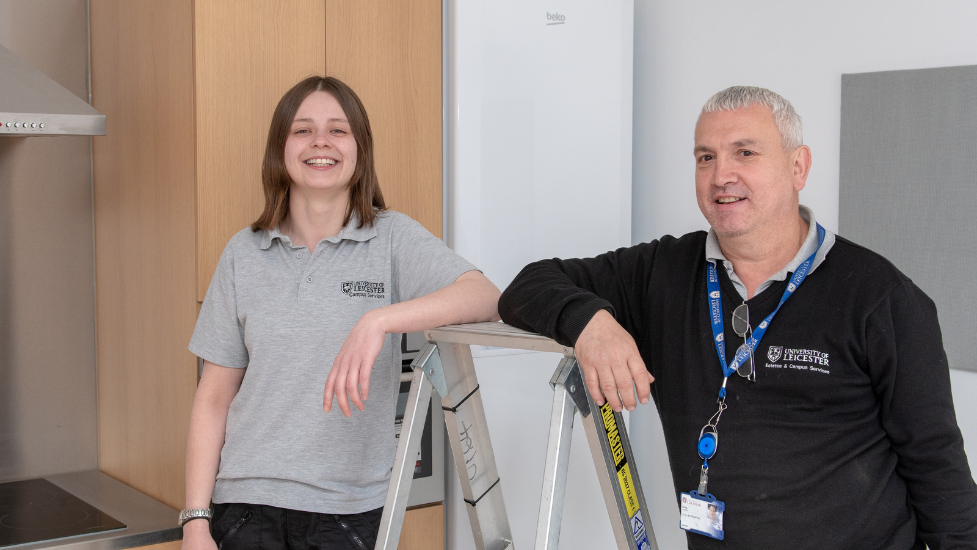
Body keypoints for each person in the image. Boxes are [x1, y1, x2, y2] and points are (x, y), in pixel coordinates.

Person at [499, 86, 977, 548]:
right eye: (705, 157)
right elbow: (527, 286)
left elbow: (938, 469)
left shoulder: (881, 297)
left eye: (744, 153)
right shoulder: (662, 272)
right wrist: (591, 324)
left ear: (798, 166)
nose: (720, 175)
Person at [180, 76, 500, 550]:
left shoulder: (391, 239)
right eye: (303, 130)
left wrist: (379, 319)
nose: (320, 143)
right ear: (281, 149)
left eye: (338, 130)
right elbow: (213, 398)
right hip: (244, 509)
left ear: (360, 149)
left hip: (347, 515)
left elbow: (486, 297)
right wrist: (195, 522)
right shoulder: (243, 253)